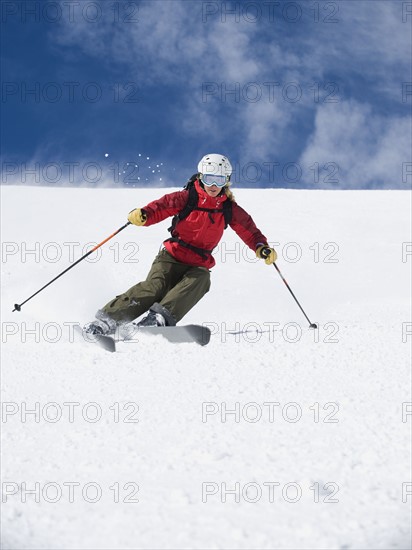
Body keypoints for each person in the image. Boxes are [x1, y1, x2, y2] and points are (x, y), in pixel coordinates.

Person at [84, 153, 277, 335]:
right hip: (172, 256)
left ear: (226, 181)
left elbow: (249, 230)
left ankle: (157, 319)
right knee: (155, 287)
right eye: (209, 178)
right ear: (201, 177)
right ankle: (107, 321)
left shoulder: (229, 209)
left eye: (219, 180)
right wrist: (144, 215)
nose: (213, 185)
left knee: (201, 279)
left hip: (199, 262)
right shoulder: (187, 197)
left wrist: (261, 246)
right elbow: (162, 206)